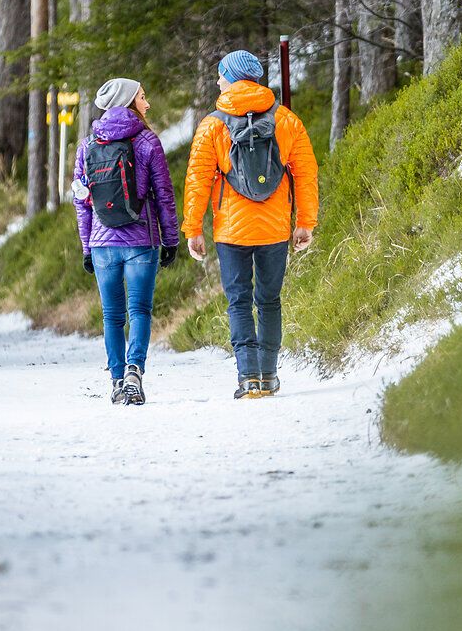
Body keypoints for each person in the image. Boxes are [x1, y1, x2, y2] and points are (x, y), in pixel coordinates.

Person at [181, 50, 319, 399]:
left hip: (231, 229)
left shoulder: (212, 124)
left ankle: (248, 378)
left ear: (232, 77)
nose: (217, 80)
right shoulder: (286, 119)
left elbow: (198, 179)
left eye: (220, 74)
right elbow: (305, 173)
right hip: (274, 227)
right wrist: (305, 222)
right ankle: (270, 376)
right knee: (269, 300)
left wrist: (193, 228)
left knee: (239, 301)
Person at [74, 78, 180, 405]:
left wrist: (87, 246)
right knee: (140, 310)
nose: (147, 104)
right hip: (140, 241)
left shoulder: (88, 144)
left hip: (103, 243)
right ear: (130, 102)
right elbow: (163, 194)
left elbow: (81, 199)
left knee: (112, 316)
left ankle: (117, 381)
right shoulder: (147, 141)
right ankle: (135, 371)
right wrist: (171, 238)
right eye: (143, 98)